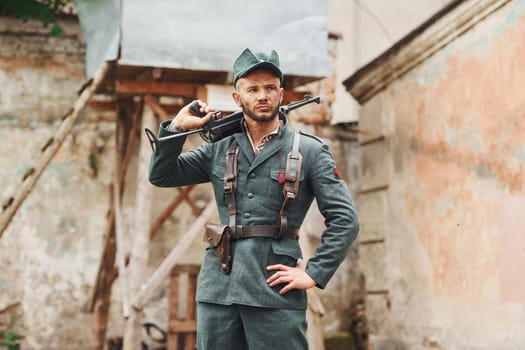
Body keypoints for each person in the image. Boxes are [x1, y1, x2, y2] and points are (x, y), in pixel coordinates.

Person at [149, 48, 359, 350]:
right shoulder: (218, 148)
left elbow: (346, 220)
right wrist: (178, 129)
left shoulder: (311, 151)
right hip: (219, 291)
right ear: (238, 98)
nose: (263, 95)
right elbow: (162, 175)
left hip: (274, 292)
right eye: (253, 88)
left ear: (281, 94)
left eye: (270, 88)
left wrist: (314, 272)